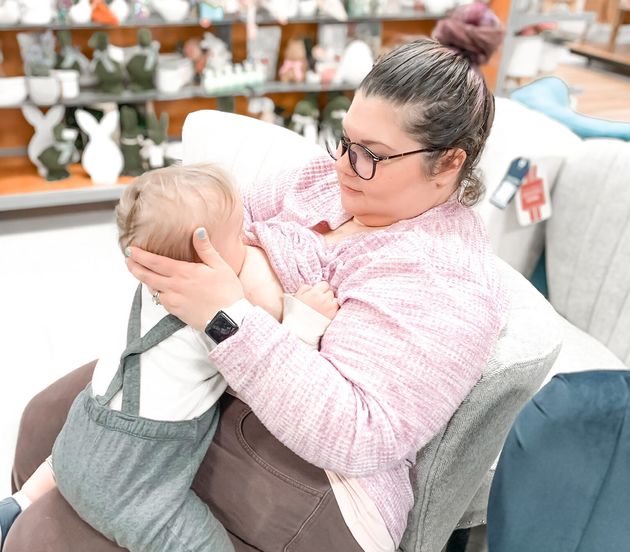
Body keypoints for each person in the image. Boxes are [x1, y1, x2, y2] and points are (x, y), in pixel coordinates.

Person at [6, 36, 510, 552]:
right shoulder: (326, 179)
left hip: (326, 479)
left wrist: (230, 314)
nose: (343, 164)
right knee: (44, 419)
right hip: (231, 378)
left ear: (448, 163)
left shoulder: (448, 278)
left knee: (47, 535)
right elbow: (229, 220)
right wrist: (258, 296)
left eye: (371, 156)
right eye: (345, 139)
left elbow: (357, 433)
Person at [0, 164, 339, 551]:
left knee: (62, 463)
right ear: (202, 258)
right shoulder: (214, 317)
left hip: (79, 438)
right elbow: (270, 359)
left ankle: (19, 504)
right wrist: (306, 316)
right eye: (236, 235)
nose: (246, 240)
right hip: (130, 488)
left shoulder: (150, 285)